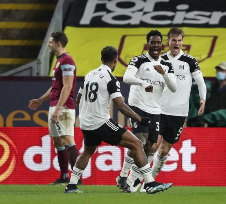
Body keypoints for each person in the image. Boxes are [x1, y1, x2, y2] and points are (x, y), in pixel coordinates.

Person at [64, 46, 172, 194]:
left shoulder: (89, 75)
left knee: (88, 151)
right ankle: (150, 183)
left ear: (101, 59)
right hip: (100, 122)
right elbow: (121, 106)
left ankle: (71, 185)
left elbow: (78, 99)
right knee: (137, 144)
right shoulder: (111, 79)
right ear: (115, 60)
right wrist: (140, 119)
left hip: (85, 122)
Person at [129, 27, 207, 192]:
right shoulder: (160, 59)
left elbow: (200, 82)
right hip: (160, 110)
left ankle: (147, 184)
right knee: (152, 146)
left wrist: (203, 98)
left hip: (179, 112)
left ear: (182, 42)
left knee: (164, 150)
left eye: (179, 40)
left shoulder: (190, 61)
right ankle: (133, 180)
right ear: (168, 42)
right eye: (173, 40)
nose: (176, 43)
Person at [115, 30, 177, 193]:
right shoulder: (138, 60)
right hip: (138, 106)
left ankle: (129, 180)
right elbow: (127, 78)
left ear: (162, 44)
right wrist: (142, 83)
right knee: (140, 141)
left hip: (155, 109)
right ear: (147, 43)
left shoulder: (167, 64)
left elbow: (173, 87)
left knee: (150, 146)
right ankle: (123, 176)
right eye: (152, 42)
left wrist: (164, 74)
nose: (156, 45)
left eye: (158, 42)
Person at [28, 31, 80, 185]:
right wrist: (41, 100)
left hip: (63, 107)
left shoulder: (67, 61)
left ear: (58, 44)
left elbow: (68, 86)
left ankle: (76, 178)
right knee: (58, 141)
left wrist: (58, 108)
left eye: (50, 42)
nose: (48, 45)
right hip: (55, 105)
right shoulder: (59, 61)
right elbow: (56, 86)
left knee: (68, 139)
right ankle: (64, 177)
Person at [187, 62, 226, 127]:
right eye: (218, 70)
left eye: (223, 71)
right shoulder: (211, 87)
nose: (220, 72)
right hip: (212, 128)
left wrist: (225, 120)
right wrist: (199, 118)